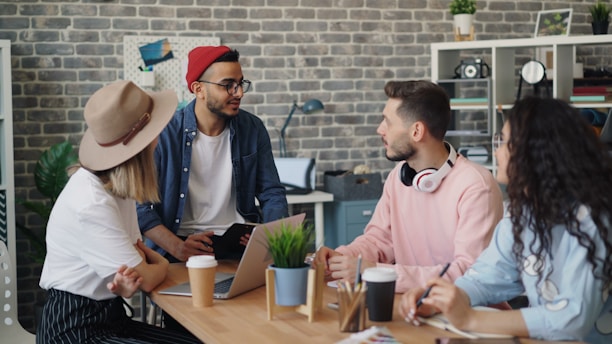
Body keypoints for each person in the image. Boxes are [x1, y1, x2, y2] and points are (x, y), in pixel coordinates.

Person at [400, 97, 612, 343]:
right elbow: (486, 278)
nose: (497, 150)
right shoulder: (521, 215)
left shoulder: (595, 218)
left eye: (503, 141)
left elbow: (572, 319)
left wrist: (469, 319)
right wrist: (441, 300)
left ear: (533, 152)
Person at [37, 80, 201, 343]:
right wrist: (159, 262)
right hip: (75, 330)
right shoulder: (92, 202)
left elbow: (139, 260)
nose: (159, 138)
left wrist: (145, 267)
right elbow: (146, 276)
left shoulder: (117, 188)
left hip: (111, 319)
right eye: (156, 131)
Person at [315, 80, 504, 293]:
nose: (380, 130)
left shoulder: (476, 186)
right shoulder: (399, 177)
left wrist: (372, 272)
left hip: (469, 315)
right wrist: (342, 258)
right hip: (415, 308)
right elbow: (378, 241)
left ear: (416, 131)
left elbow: (467, 273)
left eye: (388, 122)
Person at [137, 45, 288, 262]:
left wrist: (270, 240)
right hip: (178, 248)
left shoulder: (252, 128)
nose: (239, 93)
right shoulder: (164, 133)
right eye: (228, 85)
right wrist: (177, 247)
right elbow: (139, 206)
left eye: (240, 83)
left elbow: (271, 192)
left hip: (239, 247)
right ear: (199, 89)